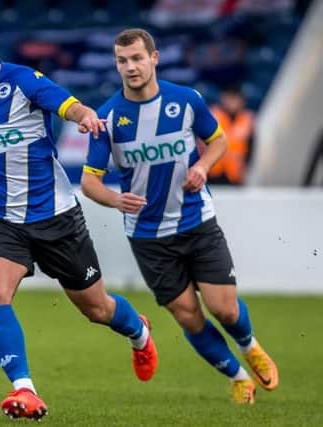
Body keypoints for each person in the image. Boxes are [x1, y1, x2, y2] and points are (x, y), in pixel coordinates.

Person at [0, 14, 159, 421]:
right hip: (2, 220)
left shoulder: (24, 82)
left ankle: (139, 332)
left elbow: (67, 104)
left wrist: (85, 117)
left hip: (56, 218)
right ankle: (25, 389)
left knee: (96, 309)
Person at [80, 28, 279, 404]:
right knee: (188, 317)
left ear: (153, 58)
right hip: (148, 237)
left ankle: (249, 345)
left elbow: (219, 141)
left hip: (196, 222)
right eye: (122, 61)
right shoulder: (106, 118)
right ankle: (238, 378)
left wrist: (203, 166)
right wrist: (115, 200)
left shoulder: (186, 101)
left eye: (137, 58)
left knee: (224, 308)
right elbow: (90, 182)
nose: (130, 67)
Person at [208, 84, 254, 185]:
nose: (231, 102)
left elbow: (251, 146)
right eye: (229, 97)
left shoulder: (248, 118)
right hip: (211, 171)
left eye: (235, 98)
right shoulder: (212, 115)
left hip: (235, 174)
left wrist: (246, 167)